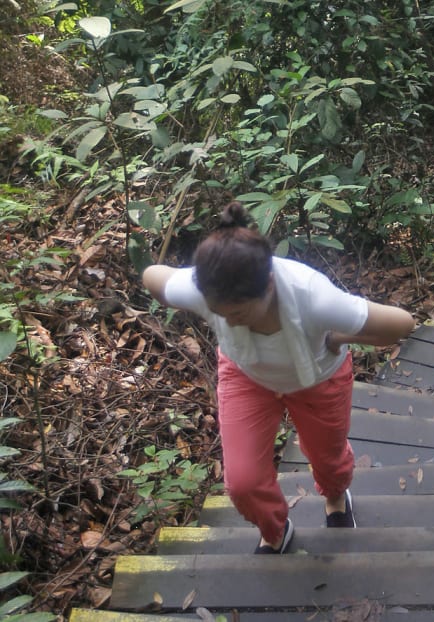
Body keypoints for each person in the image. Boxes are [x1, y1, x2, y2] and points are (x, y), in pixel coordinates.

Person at [142, 202, 416, 554]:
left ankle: (335, 496)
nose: (231, 321)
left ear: (269, 285)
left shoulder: (314, 298)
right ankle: (274, 527)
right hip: (245, 374)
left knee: (327, 458)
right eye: (220, 314)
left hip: (318, 379)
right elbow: (153, 276)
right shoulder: (203, 288)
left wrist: (338, 337)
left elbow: (401, 324)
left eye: (238, 313)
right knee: (242, 483)